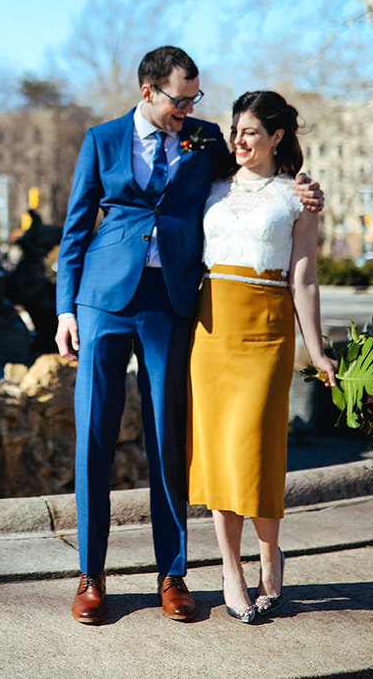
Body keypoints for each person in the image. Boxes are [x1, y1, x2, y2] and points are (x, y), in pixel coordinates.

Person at [54, 47, 322, 625]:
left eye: (195, 98)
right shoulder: (101, 140)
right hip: (101, 300)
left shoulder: (205, 140)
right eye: (181, 98)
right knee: (94, 439)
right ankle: (91, 575)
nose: (189, 108)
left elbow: (259, 175)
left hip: (171, 304)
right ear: (148, 91)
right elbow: (76, 228)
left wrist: (304, 193)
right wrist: (64, 310)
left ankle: (172, 574)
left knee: (170, 438)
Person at [189, 90, 338, 624]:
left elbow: (305, 276)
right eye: (235, 131)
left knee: (255, 448)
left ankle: (270, 551)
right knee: (218, 452)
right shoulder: (209, 186)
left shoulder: (297, 196)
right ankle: (231, 570)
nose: (238, 141)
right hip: (209, 332)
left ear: (277, 136)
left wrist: (316, 349)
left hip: (267, 332)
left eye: (250, 131)